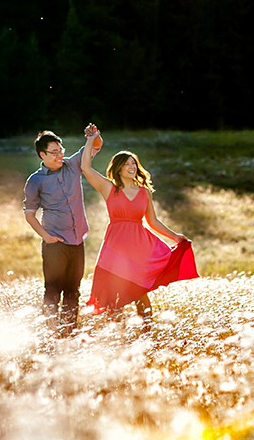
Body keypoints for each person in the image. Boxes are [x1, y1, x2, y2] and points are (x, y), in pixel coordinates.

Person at [81, 128, 198, 321]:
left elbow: (153, 221)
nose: (132, 166)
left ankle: (147, 335)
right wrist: (91, 139)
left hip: (139, 248)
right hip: (115, 248)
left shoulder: (144, 192)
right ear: (118, 168)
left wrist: (175, 237)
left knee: (140, 294)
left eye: (134, 163)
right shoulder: (109, 187)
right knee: (114, 295)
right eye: (127, 164)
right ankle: (116, 339)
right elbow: (86, 167)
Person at [23, 124, 102, 335]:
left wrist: (94, 136)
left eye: (61, 151)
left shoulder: (73, 165)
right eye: (54, 152)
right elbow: (29, 214)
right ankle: (51, 332)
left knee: (73, 291)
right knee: (52, 290)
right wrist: (46, 237)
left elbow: (94, 147)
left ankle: (68, 333)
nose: (60, 155)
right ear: (42, 154)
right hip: (55, 243)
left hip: (77, 241)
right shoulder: (35, 181)